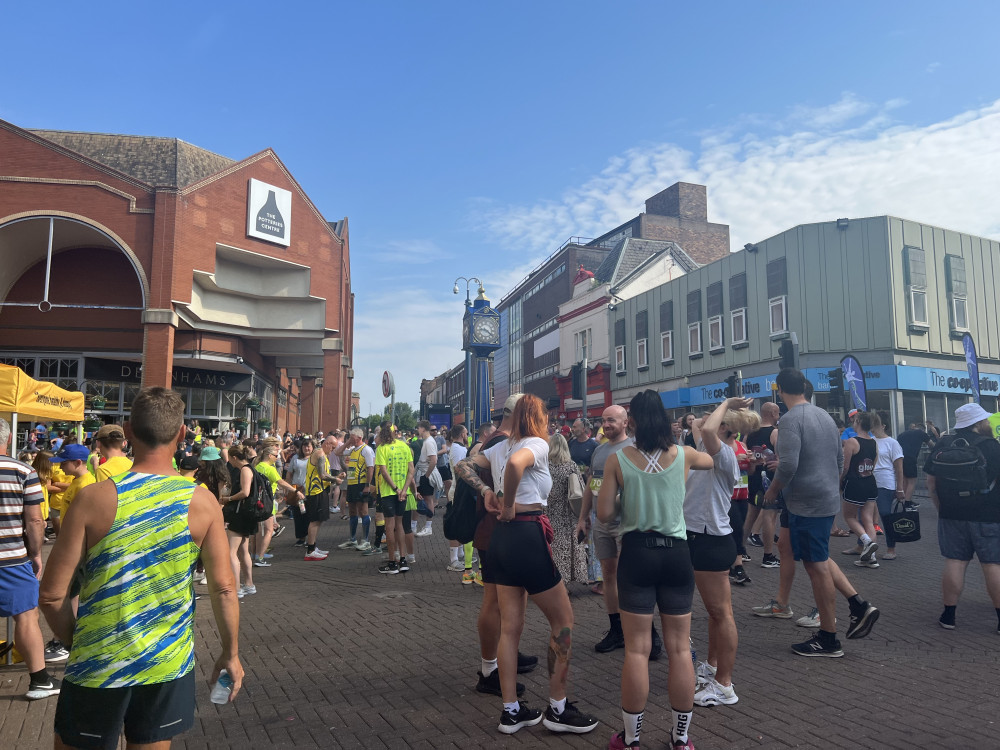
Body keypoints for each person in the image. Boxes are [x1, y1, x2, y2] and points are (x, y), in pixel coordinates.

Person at [39, 387, 243, 747]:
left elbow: (53, 596)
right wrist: (231, 653)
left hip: (96, 662)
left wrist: (82, 643)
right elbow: (225, 589)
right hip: (165, 663)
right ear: (182, 435)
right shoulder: (202, 502)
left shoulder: (92, 499)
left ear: (129, 431)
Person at [459, 394, 599, 736]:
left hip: (502, 541)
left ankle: (511, 711)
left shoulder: (498, 447)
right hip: (525, 533)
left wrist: (486, 492)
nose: (550, 425)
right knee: (563, 621)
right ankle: (558, 707)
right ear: (538, 419)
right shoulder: (533, 444)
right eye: (547, 419)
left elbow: (462, 466)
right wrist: (504, 503)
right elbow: (517, 466)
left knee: (511, 627)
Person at [599, 391, 714, 750]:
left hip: (637, 554)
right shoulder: (684, 455)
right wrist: (697, 428)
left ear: (632, 421)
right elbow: (712, 460)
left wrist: (625, 496)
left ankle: (631, 740)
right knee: (680, 649)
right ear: (665, 419)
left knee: (636, 650)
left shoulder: (618, 460)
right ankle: (680, 739)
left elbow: (604, 515)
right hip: (677, 555)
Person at [763, 369, 880, 656]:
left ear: (780, 392)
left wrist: (773, 491)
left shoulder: (790, 420)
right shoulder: (825, 416)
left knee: (816, 567)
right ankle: (857, 605)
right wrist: (830, 484)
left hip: (806, 502)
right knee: (818, 557)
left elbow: (788, 465)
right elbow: (840, 459)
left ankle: (829, 637)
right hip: (824, 499)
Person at [454, 394, 539, 700]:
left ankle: (505, 658)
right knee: (496, 601)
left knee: (506, 600)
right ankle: (490, 670)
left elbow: (461, 466)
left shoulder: (496, 441)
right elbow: (466, 467)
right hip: (498, 528)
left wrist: (485, 490)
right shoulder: (502, 443)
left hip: (494, 529)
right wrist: (493, 494)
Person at [684, 397, 755, 707]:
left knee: (721, 612)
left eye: (717, 420)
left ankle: (724, 684)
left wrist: (727, 402)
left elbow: (707, 428)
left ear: (726, 428)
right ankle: (712, 667)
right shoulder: (704, 449)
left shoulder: (724, 454)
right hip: (698, 536)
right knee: (714, 612)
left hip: (711, 539)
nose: (704, 419)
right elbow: (699, 425)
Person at [576, 406, 663, 659]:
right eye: (603, 420)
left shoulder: (635, 449)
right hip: (601, 523)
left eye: (611, 420)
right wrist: (583, 518)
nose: (606, 424)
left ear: (626, 422)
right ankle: (617, 630)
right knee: (609, 576)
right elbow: (591, 485)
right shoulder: (599, 450)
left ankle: (650, 633)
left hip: (628, 523)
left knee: (634, 578)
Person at [924, 403, 1000, 632]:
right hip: (988, 514)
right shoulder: (991, 446)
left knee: (955, 562)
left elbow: (931, 483)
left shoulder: (944, 443)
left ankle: (949, 616)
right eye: (985, 420)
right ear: (978, 423)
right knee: (992, 565)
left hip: (951, 514)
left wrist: (941, 509)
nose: (988, 423)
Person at [0, 418, 60, 700]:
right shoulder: (23, 471)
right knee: (26, 616)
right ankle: (39, 680)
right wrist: (36, 554)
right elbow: (35, 521)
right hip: (11, 557)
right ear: (9, 438)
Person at [546, 433, 588, 585]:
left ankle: (555, 581)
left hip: (550, 512)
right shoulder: (571, 465)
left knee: (553, 547)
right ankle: (565, 582)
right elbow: (581, 490)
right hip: (569, 512)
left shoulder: (546, 465)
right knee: (567, 548)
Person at [840, 411, 880, 567]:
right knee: (868, 519)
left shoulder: (852, 442)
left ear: (858, 421)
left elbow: (846, 466)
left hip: (855, 483)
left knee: (850, 517)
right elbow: (874, 464)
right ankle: (872, 558)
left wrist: (840, 480)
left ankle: (867, 542)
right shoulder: (874, 442)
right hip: (870, 482)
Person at [744, 402, 780, 568]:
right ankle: (768, 555)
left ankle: (740, 550)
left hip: (753, 477)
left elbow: (746, 454)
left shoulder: (750, 433)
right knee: (770, 515)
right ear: (773, 413)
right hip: (769, 478)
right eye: (777, 413)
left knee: (751, 514)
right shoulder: (774, 432)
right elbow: (781, 457)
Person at [225, 445, 260, 594]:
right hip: (247, 514)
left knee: (231, 551)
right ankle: (249, 584)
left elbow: (245, 492)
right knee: (243, 550)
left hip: (241, 514)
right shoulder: (251, 469)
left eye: (230, 460)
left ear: (234, 458)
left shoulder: (245, 470)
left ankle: (238, 587)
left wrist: (228, 498)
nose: (229, 463)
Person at [870, 412, 904, 561]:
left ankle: (891, 548)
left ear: (883, 426)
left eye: (876, 424)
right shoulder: (870, 440)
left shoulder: (892, 443)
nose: (872, 428)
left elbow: (899, 468)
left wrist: (900, 488)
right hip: (869, 481)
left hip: (885, 483)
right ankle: (862, 544)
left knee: (885, 514)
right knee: (864, 515)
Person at [337, 428, 375, 551]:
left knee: (363, 511)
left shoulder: (367, 450)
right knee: (352, 511)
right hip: (352, 483)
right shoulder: (353, 450)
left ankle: (366, 540)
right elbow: (337, 453)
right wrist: (347, 443)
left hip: (361, 484)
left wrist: (367, 485)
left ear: (359, 437)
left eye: (352, 437)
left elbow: (370, 468)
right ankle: (352, 539)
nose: (350, 439)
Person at [898, 420, 939, 510]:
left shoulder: (902, 434)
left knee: (905, 481)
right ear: (922, 429)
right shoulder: (921, 433)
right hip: (911, 458)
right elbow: (932, 445)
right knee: (912, 481)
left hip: (900, 458)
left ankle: (904, 500)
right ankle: (908, 503)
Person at [414, 421, 440, 536]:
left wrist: (426, 476)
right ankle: (416, 525)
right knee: (420, 499)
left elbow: (433, 460)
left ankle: (428, 527)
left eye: (418, 428)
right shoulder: (428, 441)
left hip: (426, 474)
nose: (417, 430)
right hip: (423, 472)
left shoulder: (429, 442)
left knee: (428, 499)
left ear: (422, 428)